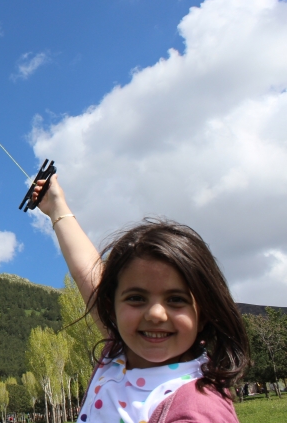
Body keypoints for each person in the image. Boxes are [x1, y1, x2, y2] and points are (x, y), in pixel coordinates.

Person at [32, 175, 249, 423]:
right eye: (136, 298)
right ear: (110, 308)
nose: (155, 314)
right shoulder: (122, 352)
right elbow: (87, 275)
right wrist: (56, 207)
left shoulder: (197, 408)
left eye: (176, 300)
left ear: (204, 315)